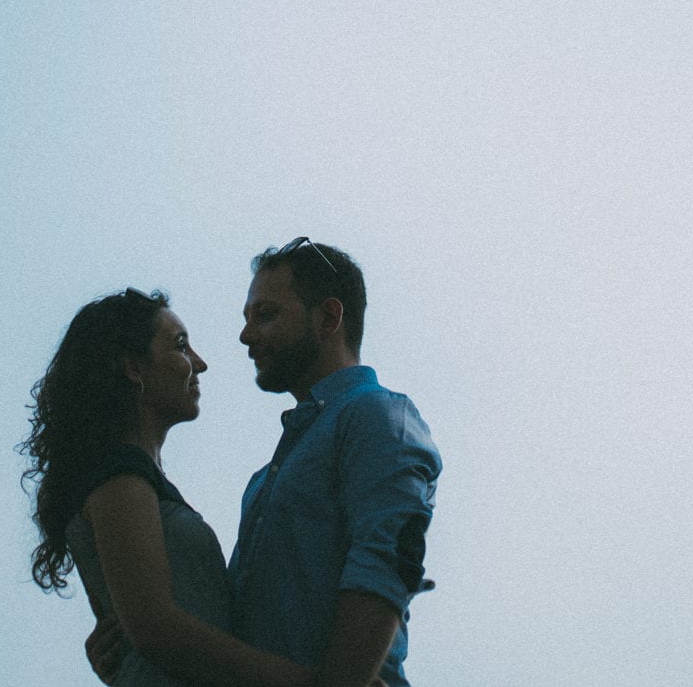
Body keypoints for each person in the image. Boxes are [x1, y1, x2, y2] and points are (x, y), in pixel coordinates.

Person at [87, 240, 441, 687]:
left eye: (266, 315)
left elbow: (385, 563)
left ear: (329, 317)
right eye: (247, 318)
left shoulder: (376, 415)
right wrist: (138, 654)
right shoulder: (265, 479)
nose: (246, 336)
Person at [23, 287, 347, 687]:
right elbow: (158, 631)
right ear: (134, 368)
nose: (200, 363)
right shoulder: (120, 477)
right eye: (181, 346)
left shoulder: (130, 477)